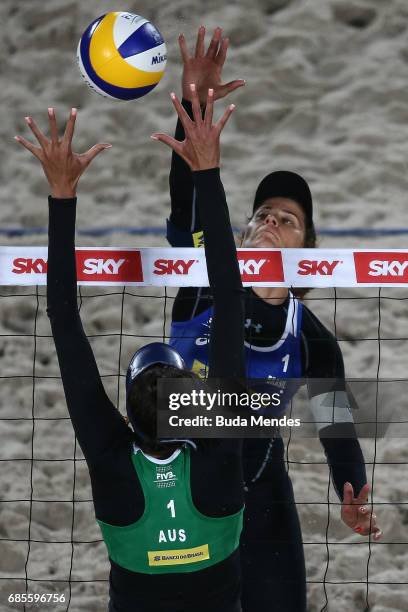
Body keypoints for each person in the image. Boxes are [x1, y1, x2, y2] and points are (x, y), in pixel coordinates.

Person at [165, 26, 382, 611]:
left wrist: (350, 491)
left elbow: (336, 424)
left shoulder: (312, 339)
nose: (270, 221)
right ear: (242, 235)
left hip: (263, 491)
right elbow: (186, 210)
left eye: (287, 219)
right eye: (262, 214)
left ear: (307, 251)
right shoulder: (200, 287)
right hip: (182, 490)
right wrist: (194, 104)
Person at [15, 88, 247, 612]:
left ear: (125, 415)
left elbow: (63, 320)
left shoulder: (116, 464)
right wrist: (208, 174)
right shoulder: (217, 458)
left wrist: (61, 195)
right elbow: (232, 300)